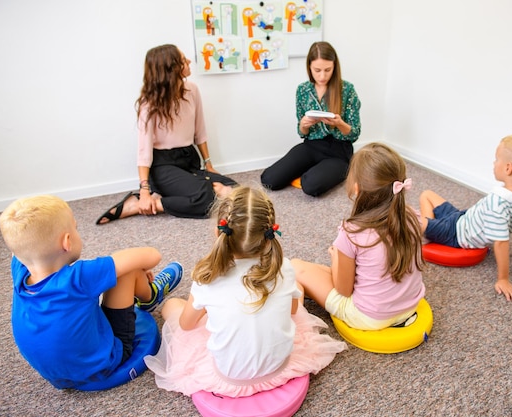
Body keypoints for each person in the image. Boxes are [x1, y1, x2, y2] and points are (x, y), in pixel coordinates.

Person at [144, 186, 346, 397]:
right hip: (279, 369)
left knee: (172, 306)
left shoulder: (206, 277)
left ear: (218, 232)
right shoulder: (284, 267)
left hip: (229, 378)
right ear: (270, 233)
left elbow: (187, 325)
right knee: (294, 294)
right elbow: (294, 311)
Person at [0, 195, 183, 389]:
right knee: (127, 269)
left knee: (112, 272)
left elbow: (18, 248)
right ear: (67, 242)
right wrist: (139, 267)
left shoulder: (19, 270)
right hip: (103, 365)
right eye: (75, 228)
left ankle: (140, 286)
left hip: (56, 376)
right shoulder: (78, 277)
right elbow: (153, 255)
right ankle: (149, 296)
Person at [96, 44, 237, 224]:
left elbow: (199, 131)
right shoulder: (149, 103)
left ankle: (160, 198)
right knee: (206, 198)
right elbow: (144, 151)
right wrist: (145, 190)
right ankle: (144, 204)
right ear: (171, 69)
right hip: (162, 166)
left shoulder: (192, 90)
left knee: (235, 190)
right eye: (183, 60)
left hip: (188, 159)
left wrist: (208, 165)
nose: (188, 62)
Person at [292, 143, 425, 331]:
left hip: (370, 317)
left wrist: (336, 256)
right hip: (411, 306)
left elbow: (343, 290)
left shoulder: (352, 232)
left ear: (356, 188)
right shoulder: (412, 216)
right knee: (322, 271)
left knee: (296, 267)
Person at [419, 135, 512, 302]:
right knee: (427, 194)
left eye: (497, 159)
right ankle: (432, 228)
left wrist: (503, 279)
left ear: (508, 168)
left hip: (456, 234)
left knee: (410, 220)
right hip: (463, 217)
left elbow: (501, 242)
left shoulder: (498, 202)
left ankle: (429, 232)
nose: (494, 163)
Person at [260, 41, 361, 197]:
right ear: (309, 68)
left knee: (311, 186)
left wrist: (339, 123)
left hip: (339, 151)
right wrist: (303, 124)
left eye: (328, 70)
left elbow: (354, 133)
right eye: (317, 70)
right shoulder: (303, 90)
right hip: (312, 146)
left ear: (335, 67)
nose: (322, 75)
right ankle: (318, 167)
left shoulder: (347, 89)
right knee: (269, 179)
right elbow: (302, 133)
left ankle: (340, 169)